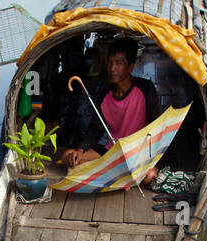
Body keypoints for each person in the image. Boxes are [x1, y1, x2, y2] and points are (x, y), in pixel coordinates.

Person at [62, 37, 162, 183]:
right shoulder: (105, 94)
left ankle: (112, 173)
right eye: (110, 63)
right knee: (68, 155)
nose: (112, 68)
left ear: (130, 67)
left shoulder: (145, 89)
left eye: (119, 63)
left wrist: (150, 158)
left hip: (136, 153)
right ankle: (116, 173)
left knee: (149, 176)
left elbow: (157, 126)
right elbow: (96, 129)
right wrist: (81, 149)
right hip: (111, 150)